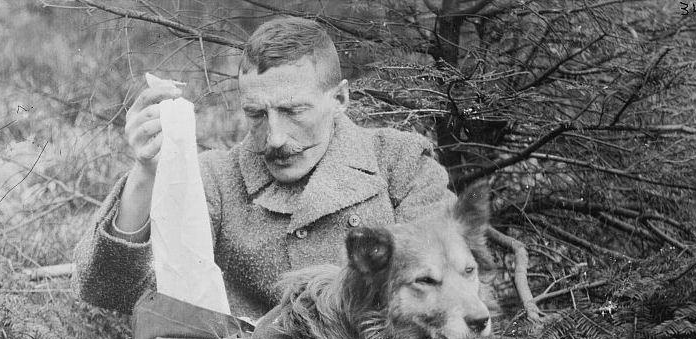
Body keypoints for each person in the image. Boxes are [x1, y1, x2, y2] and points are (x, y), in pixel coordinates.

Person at [73, 16, 454, 320]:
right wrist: (146, 172)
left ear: (340, 98)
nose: (273, 138)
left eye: (293, 111)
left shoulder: (401, 163)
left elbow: (447, 297)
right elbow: (113, 292)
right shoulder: (217, 180)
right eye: (256, 114)